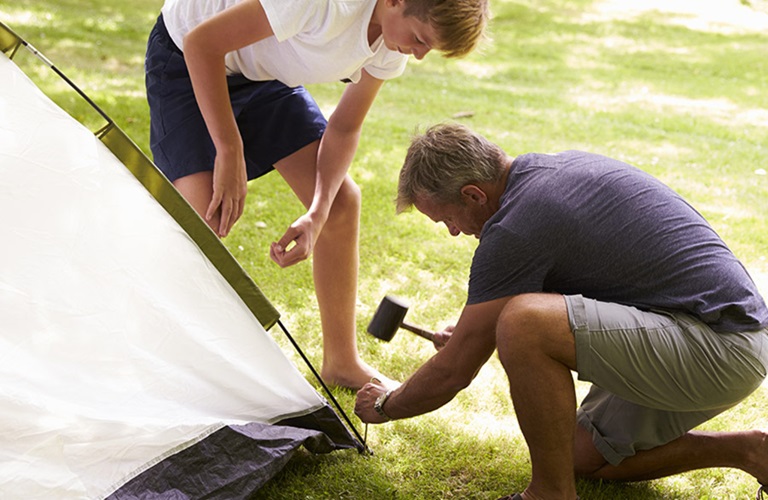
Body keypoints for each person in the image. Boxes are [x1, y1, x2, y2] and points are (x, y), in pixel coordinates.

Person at [354, 123, 768, 499]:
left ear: (473, 194)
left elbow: (453, 372)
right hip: (714, 333)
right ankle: (748, 450)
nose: (454, 232)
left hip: (721, 345)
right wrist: (478, 333)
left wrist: (386, 404)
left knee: (523, 323)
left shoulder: (516, 227)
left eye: (447, 219)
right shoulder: (547, 175)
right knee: (577, 456)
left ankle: (549, 495)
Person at [144, 0, 489, 389]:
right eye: (420, 39)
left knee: (342, 203)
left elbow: (344, 128)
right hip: (186, 60)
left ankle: (341, 363)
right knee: (202, 217)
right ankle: (167, 357)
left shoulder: (390, 47)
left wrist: (317, 212)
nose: (420, 55)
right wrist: (229, 147)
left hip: (260, 76)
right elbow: (201, 44)